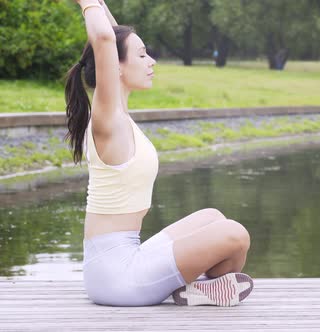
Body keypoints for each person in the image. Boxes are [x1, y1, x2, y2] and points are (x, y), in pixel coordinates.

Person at [65, 0, 253, 307]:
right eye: (141, 55)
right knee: (235, 234)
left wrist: (100, 3)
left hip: (129, 256)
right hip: (116, 277)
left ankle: (198, 289)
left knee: (213, 218)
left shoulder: (120, 116)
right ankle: (199, 287)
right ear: (116, 67)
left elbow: (112, 34)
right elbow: (104, 39)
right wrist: (87, 3)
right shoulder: (107, 121)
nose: (151, 61)